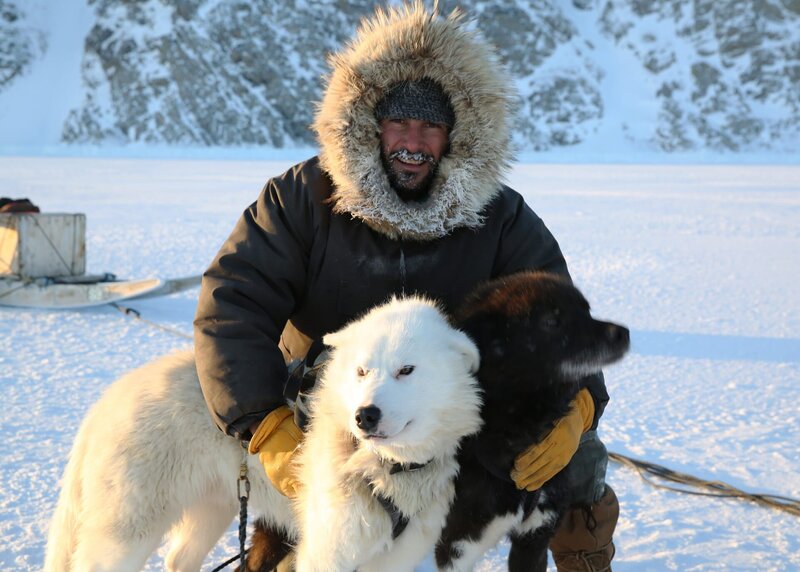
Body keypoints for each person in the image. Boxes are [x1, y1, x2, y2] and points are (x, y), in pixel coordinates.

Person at [194, 4, 618, 570]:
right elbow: (232, 306)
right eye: (399, 123)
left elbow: (556, 318)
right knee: (296, 532)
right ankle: (276, 551)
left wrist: (578, 409)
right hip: (329, 400)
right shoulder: (301, 199)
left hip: (447, 408)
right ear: (370, 125)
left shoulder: (501, 217)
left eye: (431, 127)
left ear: (457, 136)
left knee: (578, 462)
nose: (412, 142)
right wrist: (262, 421)